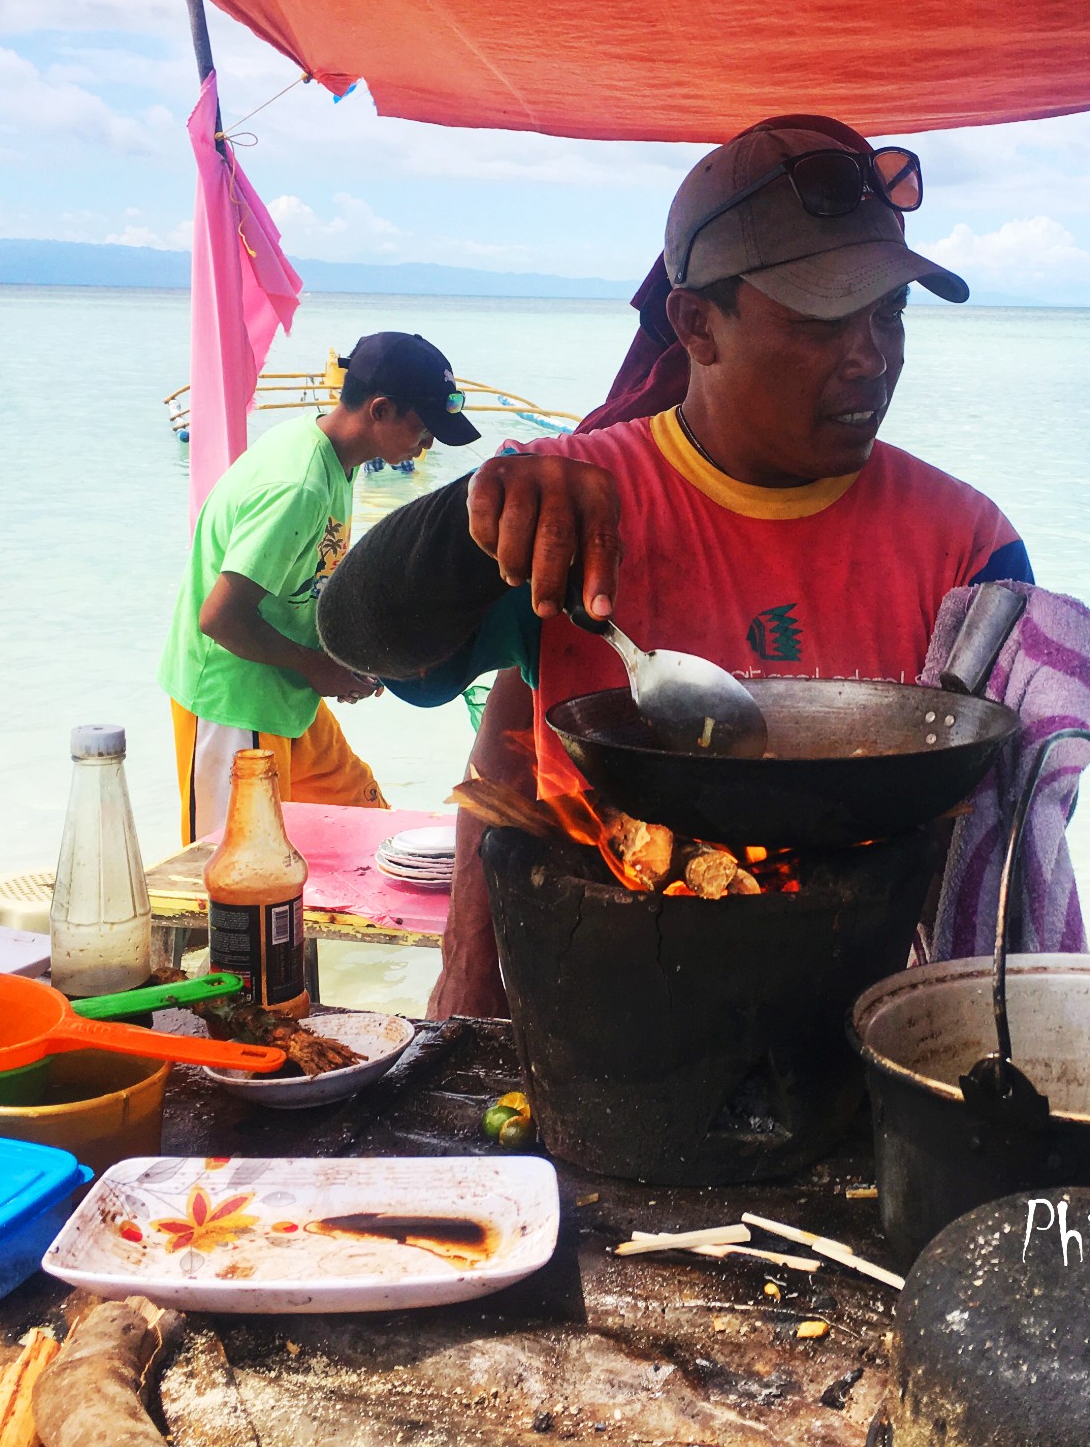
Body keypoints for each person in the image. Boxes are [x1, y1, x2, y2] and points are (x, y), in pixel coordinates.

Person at [319, 120, 1032, 1017]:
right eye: (820, 319)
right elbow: (360, 639)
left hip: (874, 1022)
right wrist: (468, 522)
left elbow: (1010, 831)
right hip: (604, 1011)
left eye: (888, 312)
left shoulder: (968, 548)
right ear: (697, 324)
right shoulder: (567, 502)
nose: (871, 357)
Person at [160, 332, 480, 842]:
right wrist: (317, 667)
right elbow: (219, 618)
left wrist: (360, 656)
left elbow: (312, 573)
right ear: (380, 410)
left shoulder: (334, 460)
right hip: (234, 702)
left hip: (289, 695)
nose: (429, 445)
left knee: (365, 824)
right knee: (239, 871)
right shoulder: (299, 484)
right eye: (423, 428)